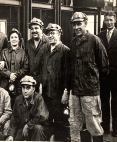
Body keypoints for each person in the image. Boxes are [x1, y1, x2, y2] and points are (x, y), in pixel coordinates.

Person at [62, 12, 109, 142]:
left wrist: (95, 85)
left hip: (90, 92)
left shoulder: (94, 40)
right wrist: (68, 90)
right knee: (81, 124)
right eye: (74, 24)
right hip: (76, 93)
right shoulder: (72, 43)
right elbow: (69, 69)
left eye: (79, 24)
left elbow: (104, 66)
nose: (76, 27)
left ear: (85, 24)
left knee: (94, 124)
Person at [41, 23, 70, 141]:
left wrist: (66, 91)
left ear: (59, 34)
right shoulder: (46, 49)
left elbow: (68, 73)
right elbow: (44, 70)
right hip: (47, 91)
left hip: (59, 92)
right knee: (48, 117)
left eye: (53, 33)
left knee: (61, 119)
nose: (51, 36)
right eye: (49, 33)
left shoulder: (65, 51)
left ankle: (63, 139)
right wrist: (41, 86)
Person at [6, 75, 49, 141]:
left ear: (33, 89)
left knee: (38, 128)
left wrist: (28, 125)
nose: (25, 91)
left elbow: (43, 116)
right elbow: (14, 118)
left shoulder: (38, 99)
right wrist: (11, 135)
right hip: (22, 130)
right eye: (23, 88)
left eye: (28, 88)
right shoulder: (18, 99)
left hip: (36, 130)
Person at [97, 11, 117, 137]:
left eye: (111, 20)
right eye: (107, 20)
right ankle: (104, 127)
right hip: (103, 75)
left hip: (116, 76)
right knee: (103, 102)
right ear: (104, 21)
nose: (109, 22)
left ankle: (116, 129)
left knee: (116, 102)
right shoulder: (100, 36)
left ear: (115, 20)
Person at [0, 28, 28, 107]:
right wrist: (9, 75)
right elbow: (0, 68)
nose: (14, 39)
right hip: (5, 84)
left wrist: (15, 75)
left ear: (19, 39)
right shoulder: (4, 52)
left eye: (15, 37)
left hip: (18, 84)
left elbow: (25, 68)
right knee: (5, 105)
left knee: (18, 105)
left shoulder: (23, 53)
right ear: (9, 39)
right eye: (12, 37)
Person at [25, 17, 49, 93]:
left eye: (36, 28)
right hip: (32, 81)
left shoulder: (48, 42)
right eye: (32, 29)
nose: (34, 31)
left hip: (46, 82)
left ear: (41, 29)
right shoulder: (28, 43)